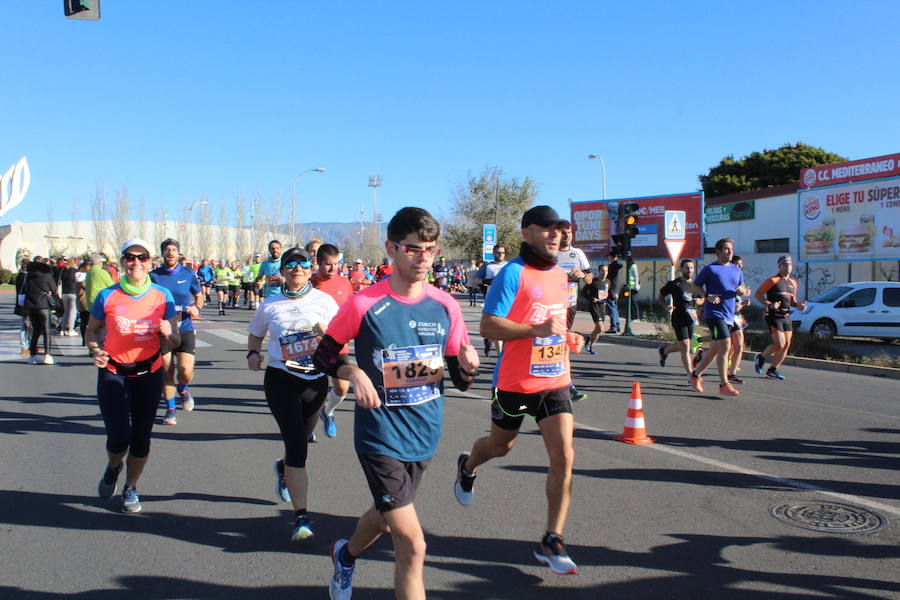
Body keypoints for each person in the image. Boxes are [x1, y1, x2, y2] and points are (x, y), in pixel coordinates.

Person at [313, 207, 478, 600]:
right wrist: (352, 373)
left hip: (424, 434)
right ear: (391, 249)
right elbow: (324, 355)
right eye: (413, 249)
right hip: (379, 436)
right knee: (413, 544)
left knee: (385, 519)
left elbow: (459, 380)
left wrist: (469, 366)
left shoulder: (445, 306)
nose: (423, 258)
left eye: (431, 250)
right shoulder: (364, 303)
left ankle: (345, 554)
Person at [454, 205, 584, 575]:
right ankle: (468, 465)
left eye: (559, 230)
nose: (555, 236)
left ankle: (552, 539)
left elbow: (556, 325)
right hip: (514, 383)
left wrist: (566, 339)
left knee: (564, 456)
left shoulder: (561, 276)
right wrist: (534, 331)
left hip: (554, 381)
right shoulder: (513, 273)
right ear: (527, 233)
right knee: (500, 446)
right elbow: (490, 327)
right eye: (547, 230)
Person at [247, 247, 339, 541]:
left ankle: (283, 468)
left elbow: (340, 337)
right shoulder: (270, 305)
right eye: (291, 264)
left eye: (302, 263)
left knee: (301, 442)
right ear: (282, 270)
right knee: (296, 445)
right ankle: (302, 517)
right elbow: (256, 332)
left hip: (314, 381)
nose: (297, 268)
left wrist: (328, 338)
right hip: (281, 378)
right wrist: (252, 352)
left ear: (309, 268)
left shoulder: (325, 301)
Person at [87, 239, 179, 513]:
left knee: (141, 439)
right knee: (119, 437)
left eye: (142, 257)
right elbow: (91, 330)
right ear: (122, 262)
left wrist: (168, 333)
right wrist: (94, 349)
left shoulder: (163, 296)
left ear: (150, 262)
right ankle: (113, 467)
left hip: (148, 373)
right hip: (113, 372)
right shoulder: (107, 295)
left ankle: (131, 487)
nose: (136, 263)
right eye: (130, 257)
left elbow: (174, 341)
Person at [151, 238, 204, 426]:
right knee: (166, 371)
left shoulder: (188, 273)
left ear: (178, 253)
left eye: (173, 249)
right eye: (166, 250)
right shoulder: (154, 276)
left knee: (185, 370)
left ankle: (183, 388)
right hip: (163, 329)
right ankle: (170, 409)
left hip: (185, 327)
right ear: (162, 253)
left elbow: (199, 296)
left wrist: (197, 307)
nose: (170, 253)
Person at [689, 238, 751, 396]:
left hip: (730, 315)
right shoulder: (711, 269)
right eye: (726, 249)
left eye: (731, 249)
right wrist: (706, 295)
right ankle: (724, 384)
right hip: (714, 314)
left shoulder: (736, 270)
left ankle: (695, 375)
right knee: (725, 345)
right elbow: (695, 285)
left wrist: (742, 292)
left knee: (715, 349)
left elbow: (741, 287)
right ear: (718, 252)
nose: (730, 252)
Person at [310, 243, 354, 438]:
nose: (332, 268)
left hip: (338, 343)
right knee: (310, 390)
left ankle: (328, 412)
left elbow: (352, 310)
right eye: (328, 264)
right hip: (312, 343)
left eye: (336, 264)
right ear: (318, 262)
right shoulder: (308, 282)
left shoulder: (345, 283)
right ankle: (305, 427)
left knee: (342, 386)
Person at [754, 254, 806, 380]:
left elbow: (792, 300)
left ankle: (772, 370)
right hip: (773, 316)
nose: (788, 267)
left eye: (790, 264)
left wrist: (798, 305)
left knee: (786, 345)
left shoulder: (793, 282)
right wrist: (768, 304)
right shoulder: (772, 281)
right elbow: (758, 294)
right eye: (785, 264)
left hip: (786, 316)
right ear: (780, 266)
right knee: (779, 344)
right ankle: (761, 357)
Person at [556, 220, 592, 402]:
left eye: (569, 232)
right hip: (551, 305)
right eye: (564, 232)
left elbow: (590, 278)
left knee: (561, 345)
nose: (567, 235)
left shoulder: (577, 254)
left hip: (570, 306)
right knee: (559, 345)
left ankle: (563, 383)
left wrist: (583, 276)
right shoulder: (550, 254)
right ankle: (566, 385)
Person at [657, 259, 704, 379]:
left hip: (691, 317)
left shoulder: (696, 286)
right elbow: (661, 295)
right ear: (681, 269)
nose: (689, 270)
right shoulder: (675, 284)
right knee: (686, 346)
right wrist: (665, 305)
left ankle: (664, 351)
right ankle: (691, 375)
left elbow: (702, 298)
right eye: (687, 268)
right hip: (678, 317)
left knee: (685, 346)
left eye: (691, 268)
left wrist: (699, 301)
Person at [23, 256, 57, 364]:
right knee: (46, 331)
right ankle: (47, 355)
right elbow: (53, 288)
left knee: (35, 331)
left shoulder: (28, 276)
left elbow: (24, 289)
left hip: (31, 305)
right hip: (43, 305)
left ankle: (32, 355)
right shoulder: (47, 275)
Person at [477, 245, 508, 356]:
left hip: (508, 300)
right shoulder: (488, 266)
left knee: (505, 330)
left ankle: (489, 340)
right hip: (493, 300)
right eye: (498, 252)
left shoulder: (508, 265)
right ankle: (501, 358)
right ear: (493, 253)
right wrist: (487, 281)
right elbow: (477, 280)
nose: (501, 254)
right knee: (498, 330)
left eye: (503, 252)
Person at [727, 255, 750, 384]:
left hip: (736, 316)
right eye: (737, 264)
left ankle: (732, 374)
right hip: (725, 315)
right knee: (723, 345)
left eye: (741, 265)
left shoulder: (740, 280)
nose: (740, 267)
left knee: (738, 345)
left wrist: (743, 304)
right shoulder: (728, 278)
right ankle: (699, 364)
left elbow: (739, 299)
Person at [579, 264, 612, 354]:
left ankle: (590, 346)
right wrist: (591, 298)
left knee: (598, 331)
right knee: (600, 328)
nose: (605, 273)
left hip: (603, 308)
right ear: (599, 271)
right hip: (594, 307)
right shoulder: (593, 281)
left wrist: (614, 296)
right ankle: (588, 339)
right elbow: (583, 292)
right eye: (603, 271)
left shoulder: (608, 282)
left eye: (606, 271)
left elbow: (609, 294)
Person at [14, 258, 32, 355]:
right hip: (25, 302)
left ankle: (28, 344)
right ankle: (24, 346)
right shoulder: (24, 276)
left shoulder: (21, 275)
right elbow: (23, 291)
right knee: (24, 325)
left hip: (24, 301)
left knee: (28, 324)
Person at [59, 257, 79, 336]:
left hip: (64, 293)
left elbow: (60, 281)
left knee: (66, 312)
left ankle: (62, 330)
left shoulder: (63, 271)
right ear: (74, 263)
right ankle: (71, 330)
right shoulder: (76, 272)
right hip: (73, 292)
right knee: (72, 312)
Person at [605, 249, 622, 333]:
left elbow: (610, 277)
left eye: (610, 256)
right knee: (614, 308)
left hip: (612, 289)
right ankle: (617, 325)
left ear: (612, 257)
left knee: (611, 308)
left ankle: (613, 326)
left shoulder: (613, 265)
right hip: (615, 289)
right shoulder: (615, 265)